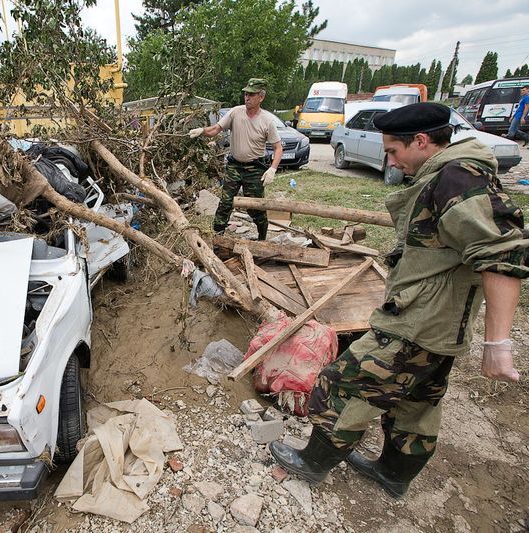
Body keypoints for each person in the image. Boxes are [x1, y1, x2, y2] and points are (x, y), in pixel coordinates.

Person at [269, 102, 528, 499]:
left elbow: (502, 253)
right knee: (417, 401)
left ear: (421, 141)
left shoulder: (457, 178)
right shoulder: (454, 173)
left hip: (419, 322)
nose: (391, 160)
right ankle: (393, 473)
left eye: (393, 150)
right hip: (442, 325)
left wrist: (498, 344)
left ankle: (314, 462)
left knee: (342, 383)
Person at [189, 78, 283, 240]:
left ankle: (262, 237)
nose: (247, 98)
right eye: (246, 94)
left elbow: (278, 148)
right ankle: (217, 239)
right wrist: (201, 131)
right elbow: (216, 129)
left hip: (255, 168)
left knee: (255, 207)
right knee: (225, 204)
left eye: (251, 95)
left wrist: (272, 169)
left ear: (261, 97)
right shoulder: (235, 112)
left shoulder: (267, 121)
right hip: (234, 166)